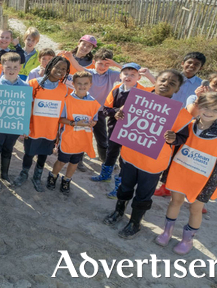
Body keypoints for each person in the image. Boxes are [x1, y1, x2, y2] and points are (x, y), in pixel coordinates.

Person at [103, 70, 193, 239]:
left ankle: (135, 222)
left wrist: (174, 138)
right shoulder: (137, 99)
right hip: (130, 156)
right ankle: (118, 212)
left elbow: (182, 137)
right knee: (125, 187)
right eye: (163, 79)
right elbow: (120, 114)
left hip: (153, 164)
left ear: (177, 90)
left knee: (143, 194)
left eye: (172, 83)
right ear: (156, 80)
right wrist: (118, 114)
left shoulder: (180, 114)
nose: (166, 84)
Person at [155, 93, 217, 254]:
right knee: (175, 202)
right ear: (199, 107)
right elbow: (176, 146)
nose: (209, 112)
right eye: (205, 107)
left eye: (215, 109)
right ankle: (167, 231)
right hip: (180, 172)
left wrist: (209, 188)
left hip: (202, 181)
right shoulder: (188, 125)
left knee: (195, 209)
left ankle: (187, 239)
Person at [90, 63, 155, 198]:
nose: (128, 77)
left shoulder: (143, 91)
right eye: (126, 74)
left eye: (133, 75)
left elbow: (160, 90)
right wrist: (116, 111)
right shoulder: (116, 89)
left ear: (138, 77)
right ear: (120, 76)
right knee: (111, 152)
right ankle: (105, 175)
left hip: (131, 133)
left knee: (124, 159)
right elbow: (105, 109)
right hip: (114, 129)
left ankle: (119, 187)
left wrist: (149, 75)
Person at [13, 56, 70, 191]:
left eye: (64, 69)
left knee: (43, 155)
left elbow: (64, 113)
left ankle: (37, 176)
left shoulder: (64, 89)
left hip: (50, 130)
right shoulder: (33, 84)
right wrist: (23, 126)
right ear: (50, 67)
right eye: (58, 67)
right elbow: (24, 106)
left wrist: (60, 132)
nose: (60, 71)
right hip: (33, 129)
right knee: (29, 153)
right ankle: (24, 173)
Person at [65, 48, 122, 172]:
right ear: (94, 61)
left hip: (101, 111)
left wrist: (116, 65)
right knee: (82, 134)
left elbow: (130, 73)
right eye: (100, 63)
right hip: (85, 110)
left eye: (107, 64)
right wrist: (70, 57)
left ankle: (105, 159)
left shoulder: (112, 74)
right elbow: (78, 66)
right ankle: (78, 159)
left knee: (102, 138)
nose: (103, 66)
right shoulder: (89, 73)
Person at [46, 71, 100, 194]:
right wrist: (74, 123)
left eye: (85, 83)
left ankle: (67, 179)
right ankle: (53, 176)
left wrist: (92, 123)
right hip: (68, 138)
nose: (82, 86)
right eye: (79, 83)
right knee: (61, 161)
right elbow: (60, 119)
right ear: (74, 84)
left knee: (74, 162)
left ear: (90, 84)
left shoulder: (93, 102)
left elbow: (95, 119)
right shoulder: (67, 100)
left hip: (82, 139)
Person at [0, 52, 29, 190]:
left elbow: (25, 109)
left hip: (14, 126)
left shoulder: (25, 88)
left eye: (15, 67)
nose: (11, 70)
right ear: (2, 67)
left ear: (20, 68)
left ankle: (4, 173)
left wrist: (24, 128)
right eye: (8, 67)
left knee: (8, 149)